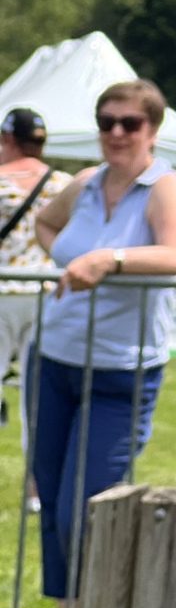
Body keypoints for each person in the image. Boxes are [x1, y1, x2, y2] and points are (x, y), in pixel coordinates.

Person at [28, 78, 176, 608]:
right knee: (54, 504)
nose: (117, 133)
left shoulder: (166, 187)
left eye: (130, 123)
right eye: (107, 122)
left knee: (89, 508)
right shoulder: (83, 183)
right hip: (54, 360)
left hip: (120, 372)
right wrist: (67, 258)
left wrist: (109, 260)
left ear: (153, 129)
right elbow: (45, 224)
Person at [0, 108, 69, 447]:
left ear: (7, 138)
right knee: (36, 392)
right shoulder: (63, 183)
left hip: (3, 289)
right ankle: (35, 475)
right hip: (45, 291)